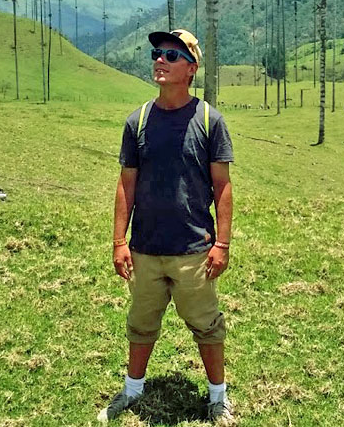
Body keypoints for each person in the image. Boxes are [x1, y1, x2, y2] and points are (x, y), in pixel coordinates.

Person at [98, 29, 235, 424]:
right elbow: (126, 184)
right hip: (145, 248)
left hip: (194, 250)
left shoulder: (209, 121)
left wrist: (222, 244)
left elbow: (223, 186)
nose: (160, 60)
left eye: (172, 56)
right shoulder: (137, 121)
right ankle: (132, 390)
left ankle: (218, 398)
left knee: (207, 326)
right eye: (157, 53)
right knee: (140, 324)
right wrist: (119, 241)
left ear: (191, 69)